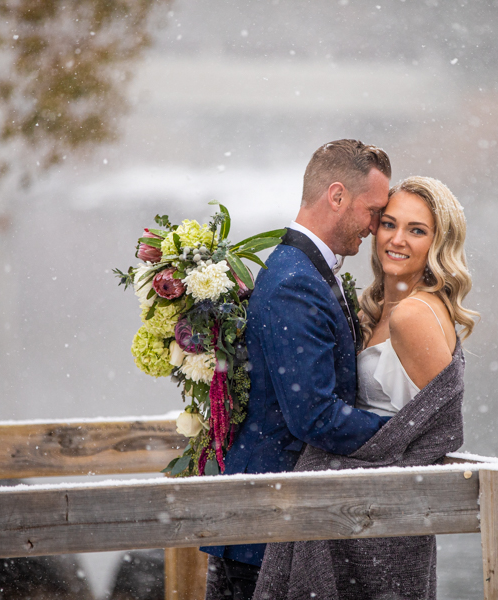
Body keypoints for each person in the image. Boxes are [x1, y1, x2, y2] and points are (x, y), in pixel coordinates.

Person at [252, 176, 478, 600]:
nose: (396, 239)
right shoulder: (377, 307)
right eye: (389, 224)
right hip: (353, 509)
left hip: (384, 520)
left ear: (439, 242)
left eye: (417, 230)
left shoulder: (414, 315)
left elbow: (431, 429)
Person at [201, 139, 394, 600]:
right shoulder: (295, 282)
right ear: (337, 196)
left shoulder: (302, 268)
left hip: (271, 521)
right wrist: (401, 435)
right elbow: (314, 415)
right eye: (372, 210)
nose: (375, 226)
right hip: (261, 529)